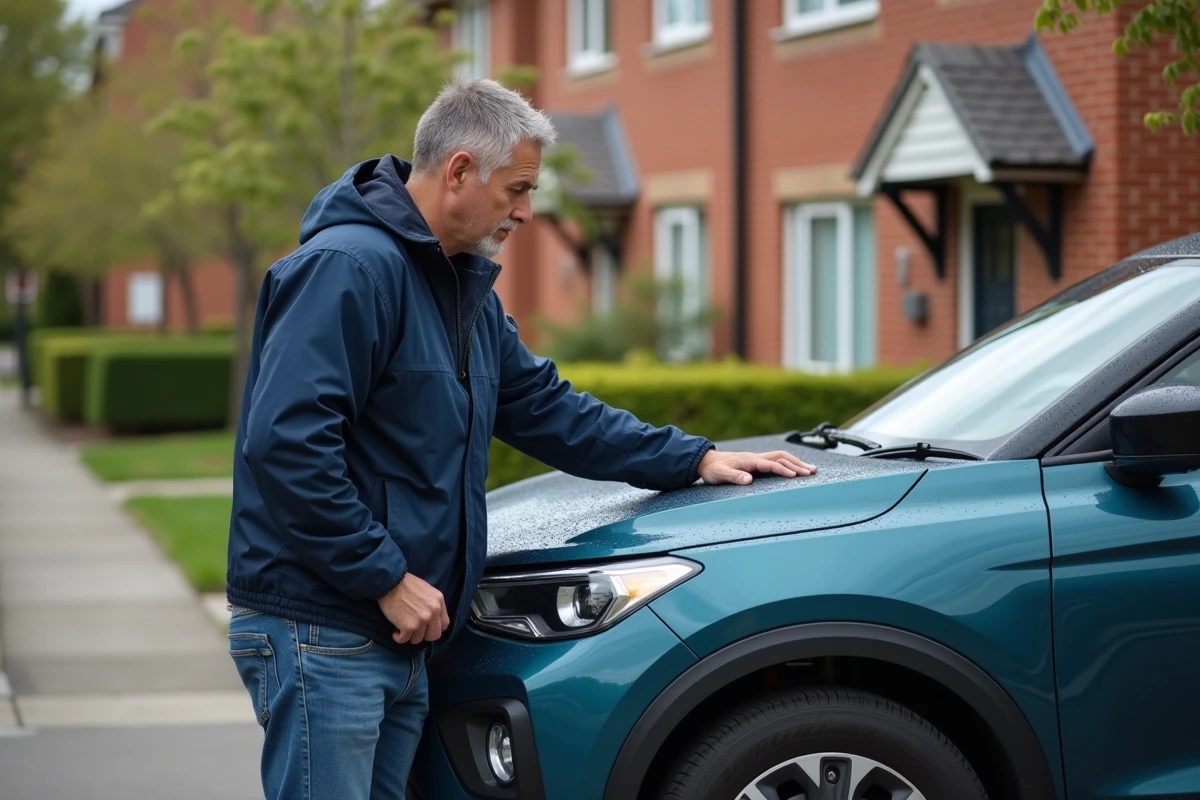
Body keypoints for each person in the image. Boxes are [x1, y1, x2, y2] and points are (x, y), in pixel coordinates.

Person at [224, 77, 817, 800]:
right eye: (518, 188)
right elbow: (287, 447)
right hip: (326, 628)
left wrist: (693, 456)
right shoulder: (348, 269)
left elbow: (545, 407)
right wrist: (382, 575)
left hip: (391, 631)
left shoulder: (456, 284)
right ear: (461, 170)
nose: (528, 212)